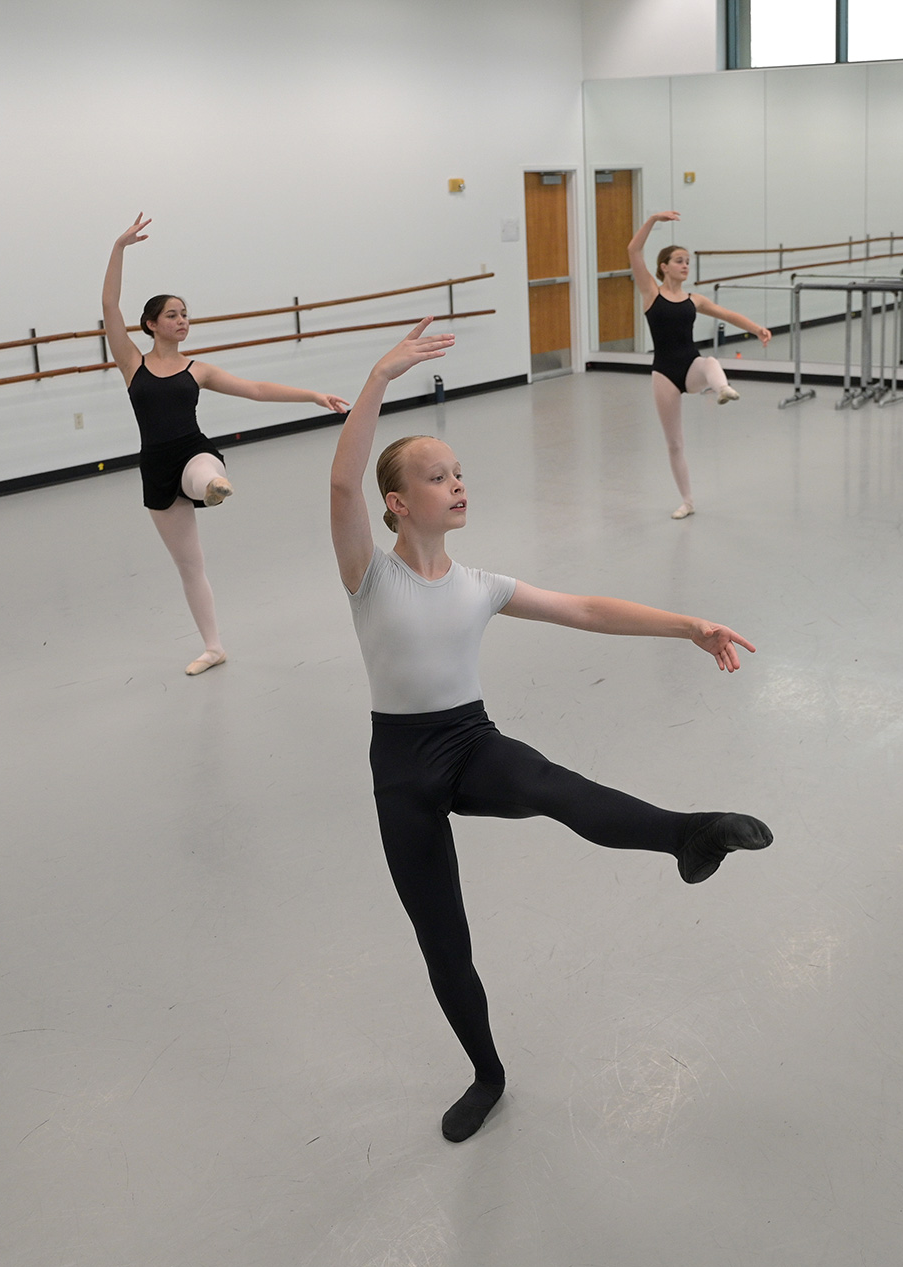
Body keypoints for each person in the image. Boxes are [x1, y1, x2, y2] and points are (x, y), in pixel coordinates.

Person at [328, 318, 774, 1142]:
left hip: (469, 743)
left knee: (555, 788)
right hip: (401, 770)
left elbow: (585, 609)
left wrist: (686, 624)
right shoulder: (370, 575)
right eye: (436, 477)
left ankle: (691, 833)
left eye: (460, 472)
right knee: (444, 939)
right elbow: (338, 485)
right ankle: (486, 1073)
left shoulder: (480, 584)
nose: (457, 485)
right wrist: (380, 377)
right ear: (396, 503)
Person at [103, 213, 350, 674]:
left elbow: (254, 389)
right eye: (173, 315)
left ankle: (214, 484)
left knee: (202, 472)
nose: (182, 321)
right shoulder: (131, 364)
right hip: (154, 466)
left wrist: (312, 395)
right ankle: (213, 647)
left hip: (192, 450)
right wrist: (119, 248)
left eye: (185, 315)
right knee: (190, 566)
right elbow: (110, 306)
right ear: (152, 324)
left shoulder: (198, 369)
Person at [627, 211, 772, 518]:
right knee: (675, 443)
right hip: (664, 373)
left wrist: (757, 327)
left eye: (687, 261)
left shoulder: (695, 300)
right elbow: (633, 251)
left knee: (710, 361)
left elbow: (727, 314)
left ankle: (723, 389)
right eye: (679, 260)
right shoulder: (651, 293)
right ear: (664, 266)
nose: (685, 265)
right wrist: (653, 220)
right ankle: (688, 502)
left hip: (691, 367)